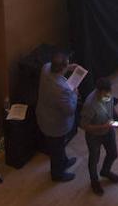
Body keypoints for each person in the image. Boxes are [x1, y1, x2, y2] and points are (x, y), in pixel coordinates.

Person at [37, 51, 79, 182]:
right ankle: (57, 174)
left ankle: (64, 161)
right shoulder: (62, 89)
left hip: (44, 115)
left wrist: (68, 67)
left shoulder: (45, 68)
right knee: (56, 150)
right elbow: (70, 110)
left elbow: (52, 67)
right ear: (62, 68)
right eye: (67, 64)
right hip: (55, 125)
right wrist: (75, 95)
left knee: (58, 147)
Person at [79, 76, 118, 194]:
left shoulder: (107, 94)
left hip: (108, 131)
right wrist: (102, 127)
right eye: (105, 93)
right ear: (98, 91)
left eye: (109, 92)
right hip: (94, 136)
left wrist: (117, 118)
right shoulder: (89, 105)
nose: (108, 95)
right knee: (94, 159)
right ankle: (94, 181)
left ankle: (105, 171)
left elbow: (110, 107)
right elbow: (83, 125)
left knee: (113, 153)